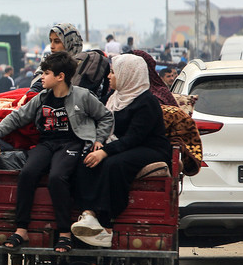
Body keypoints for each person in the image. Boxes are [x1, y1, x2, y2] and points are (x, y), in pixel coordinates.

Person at [0, 51, 113, 254]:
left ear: (60, 76)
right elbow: (18, 117)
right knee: (27, 173)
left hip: (72, 144)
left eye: (46, 73)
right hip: (47, 144)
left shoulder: (82, 96)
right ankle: (22, 229)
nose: (42, 78)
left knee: (57, 177)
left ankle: (64, 234)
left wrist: (99, 139)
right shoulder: (42, 98)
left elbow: (106, 116)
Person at [72, 54, 172, 247]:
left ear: (128, 75)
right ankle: (88, 213)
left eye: (113, 72)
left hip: (150, 148)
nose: (109, 76)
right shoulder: (113, 98)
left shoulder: (147, 102)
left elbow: (134, 137)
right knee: (86, 159)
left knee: (113, 164)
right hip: (123, 145)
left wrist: (105, 152)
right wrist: (98, 143)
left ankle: (107, 223)